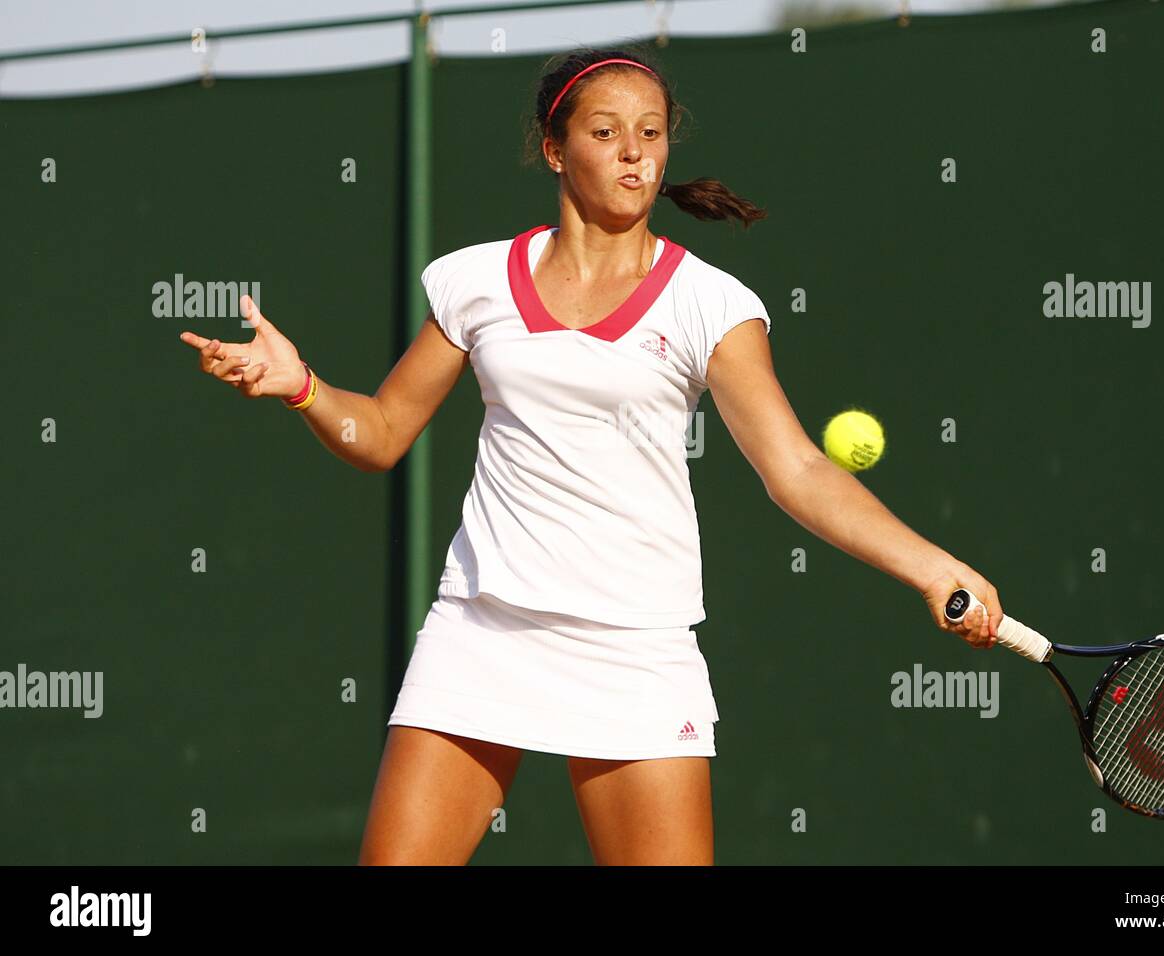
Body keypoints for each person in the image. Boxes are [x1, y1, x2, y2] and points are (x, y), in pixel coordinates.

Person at [179, 46, 1003, 866]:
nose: (635, 152)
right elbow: (384, 434)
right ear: (554, 148)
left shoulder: (711, 305)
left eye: (651, 132)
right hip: (482, 627)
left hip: (636, 649)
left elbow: (798, 468)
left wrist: (932, 567)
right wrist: (303, 388)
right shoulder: (476, 283)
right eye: (606, 132)